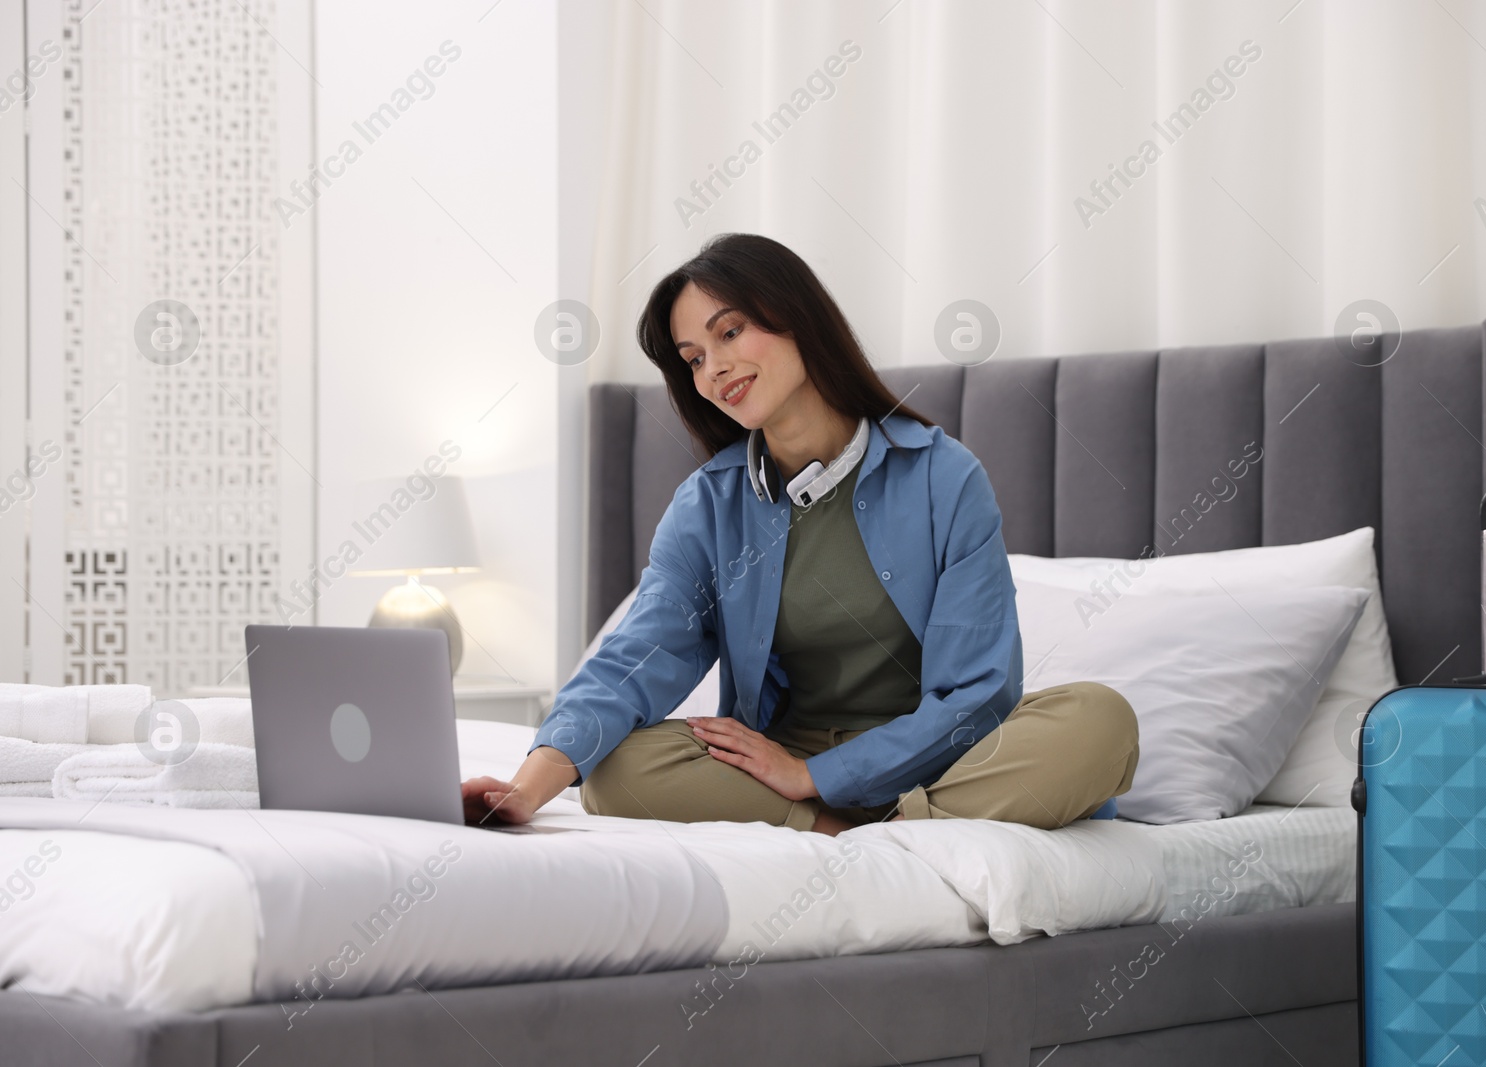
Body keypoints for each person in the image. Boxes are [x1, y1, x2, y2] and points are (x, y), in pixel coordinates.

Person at [461, 233, 1138, 836]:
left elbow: (980, 693)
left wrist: (817, 778)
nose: (713, 370)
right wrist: (527, 788)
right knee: (616, 770)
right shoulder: (709, 505)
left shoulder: (944, 477)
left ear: (800, 320)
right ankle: (853, 831)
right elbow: (633, 662)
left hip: (942, 759)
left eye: (730, 333)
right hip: (783, 766)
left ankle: (886, 820)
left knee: (1099, 720)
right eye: (694, 357)